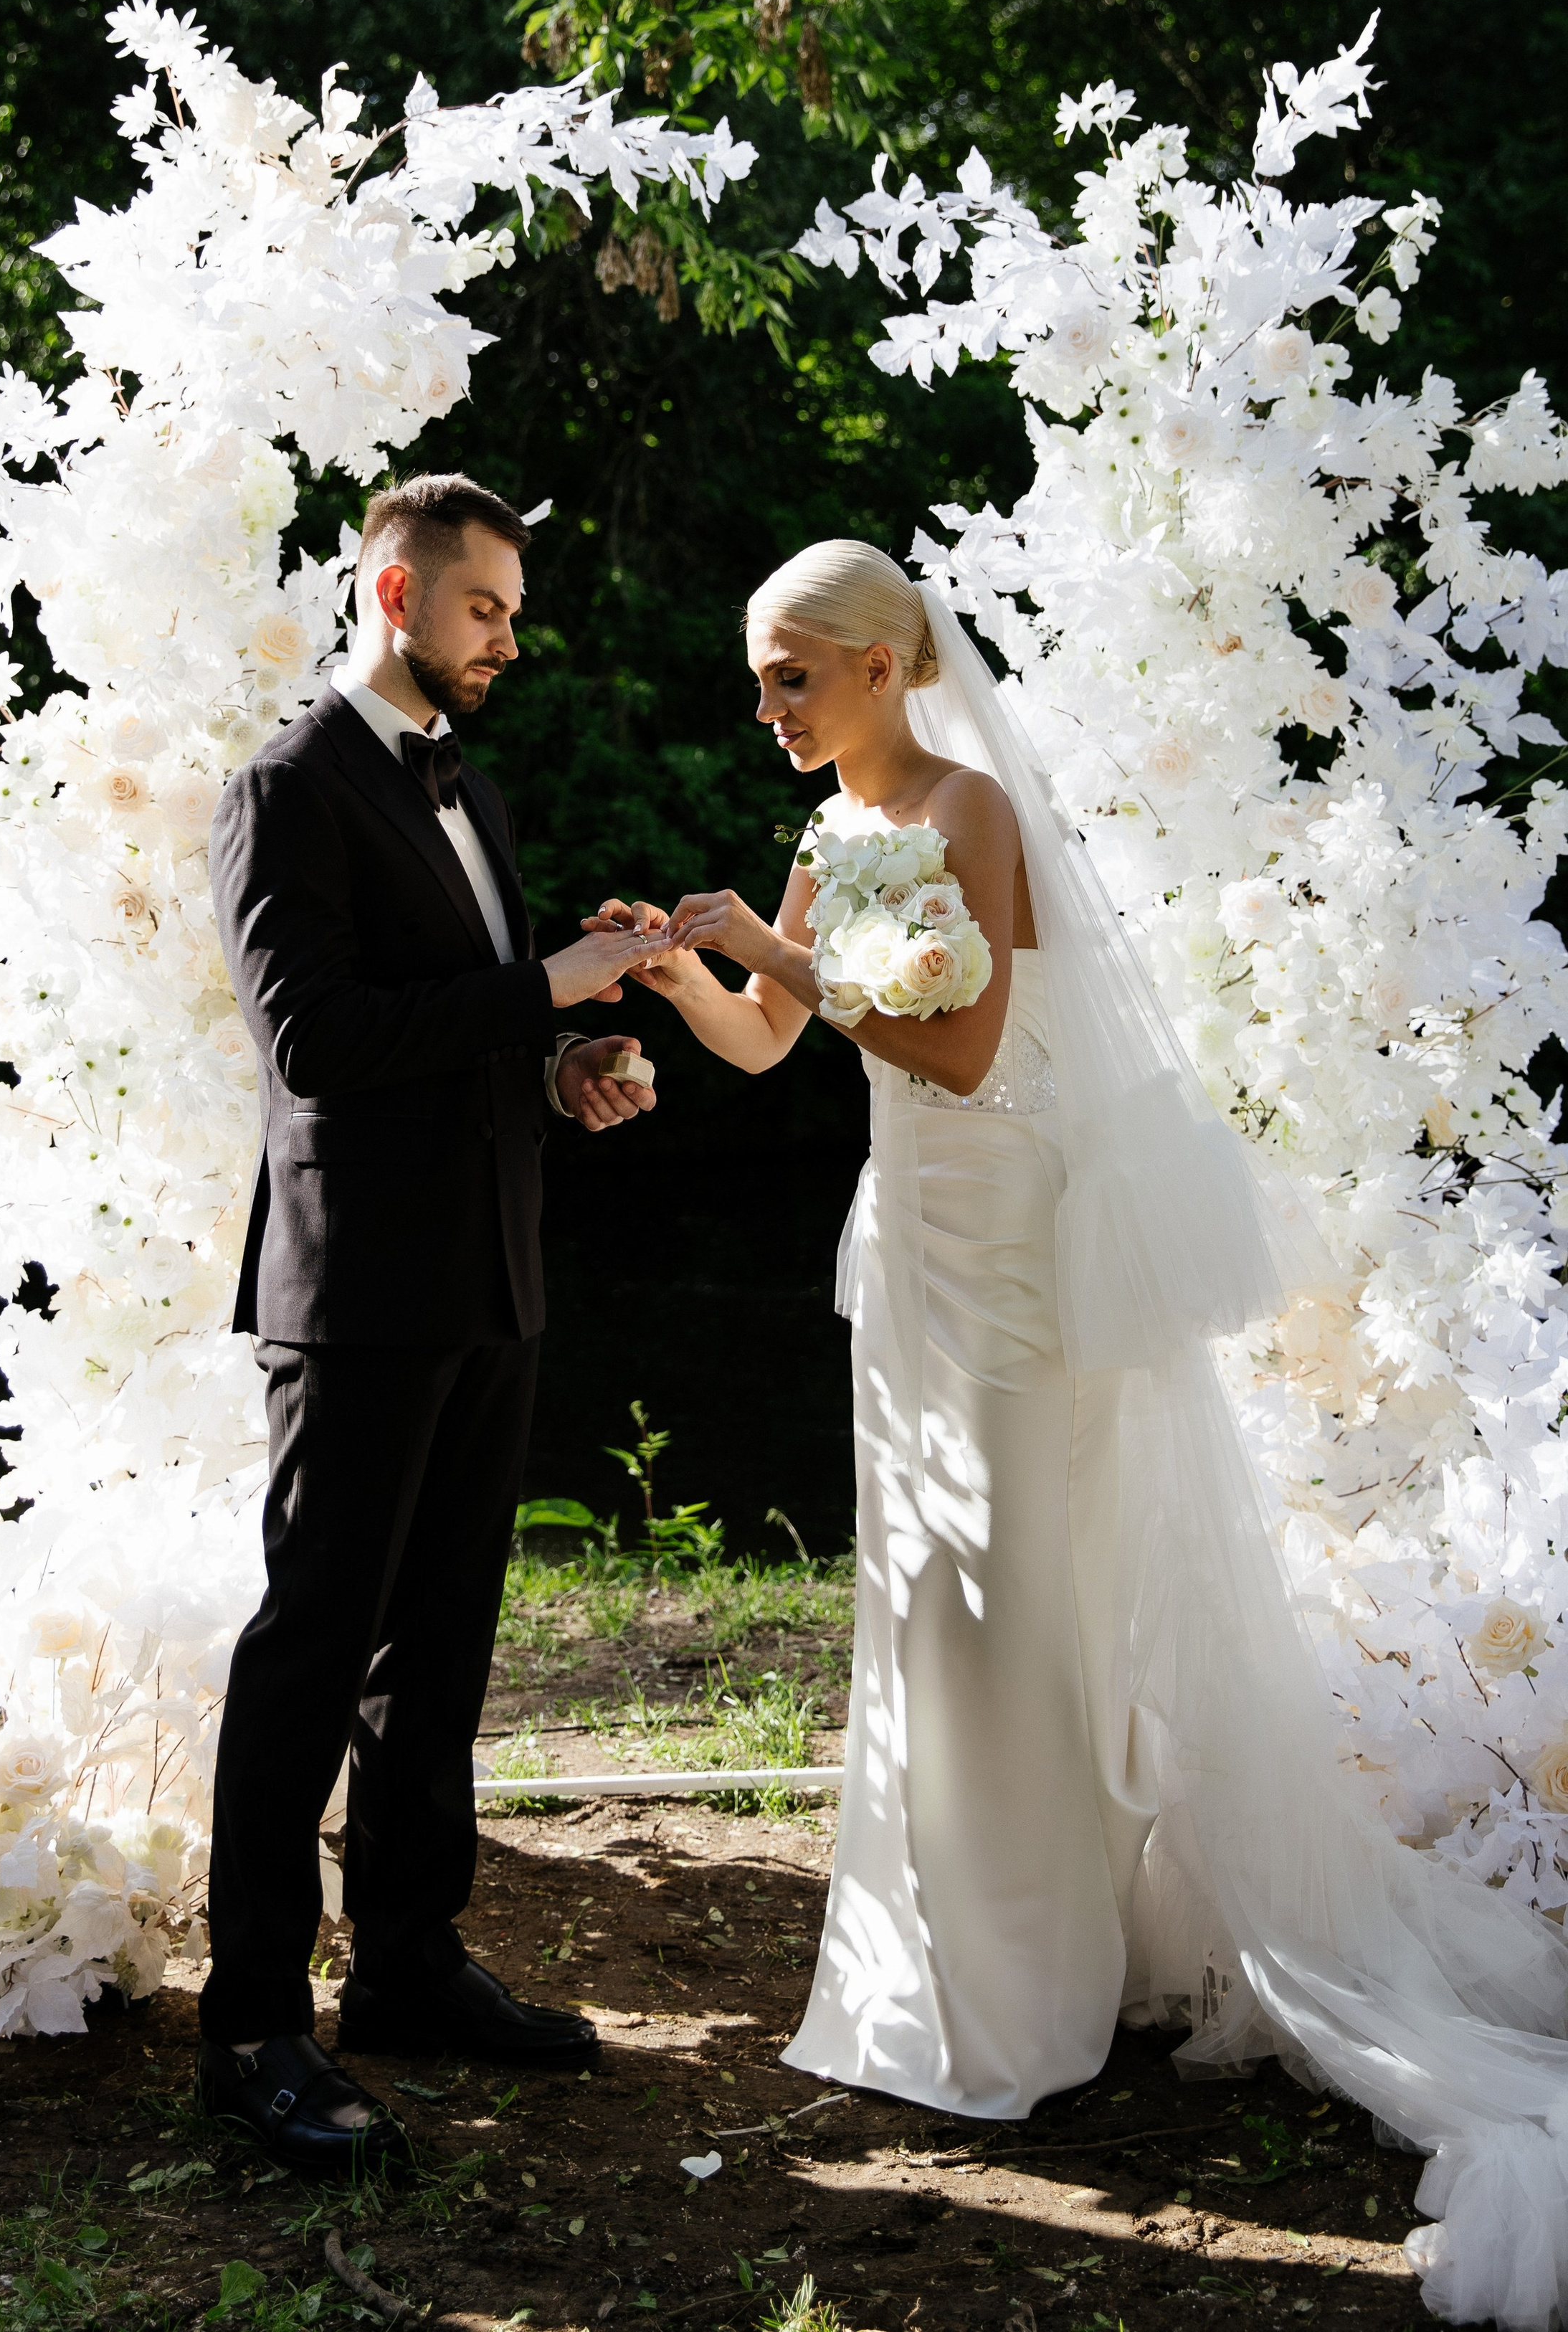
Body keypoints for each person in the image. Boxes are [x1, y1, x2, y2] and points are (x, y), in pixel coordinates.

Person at [594, 539, 1568, 2332]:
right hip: (910, 1248)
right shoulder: (823, 841)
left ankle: (1027, 2001)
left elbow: (959, 1051)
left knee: (1006, 1602)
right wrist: (685, 975)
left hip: (1009, 1253)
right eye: (759, 676)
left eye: (793, 673)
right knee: (922, 1599)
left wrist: (770, 951)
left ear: (888, 665)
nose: (767, 707)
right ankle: (933, 1968)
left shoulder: (968, 814)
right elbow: (768, 1044)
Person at [197, 473, 669, 2179]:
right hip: (355, 1292)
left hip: (490, 1271)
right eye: (488, 612)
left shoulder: (464, 779)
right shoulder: (284, 783)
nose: (510, 643)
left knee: (441, 1646)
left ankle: (402, 1961)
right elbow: (314, 1045)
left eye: (515, 618)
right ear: (396, 597)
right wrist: (542, 987)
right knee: (312, 1645)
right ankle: (251, 2022)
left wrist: (564, 1062)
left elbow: (449, 1033)